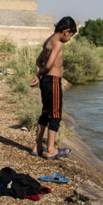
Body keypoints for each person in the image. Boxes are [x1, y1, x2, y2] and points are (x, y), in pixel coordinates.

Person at [30, 16, 77, 160]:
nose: (69, 39)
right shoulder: (57, 44)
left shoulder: (48, 41)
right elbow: (48, 65)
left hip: (45, 82)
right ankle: (50, 149)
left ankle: (37, 146)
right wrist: (42, 72)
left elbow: (39, 61)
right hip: (54, 82)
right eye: (70, 35)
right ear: (66, 31)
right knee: (55, 115)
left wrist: (38, 75)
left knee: (45, 113)